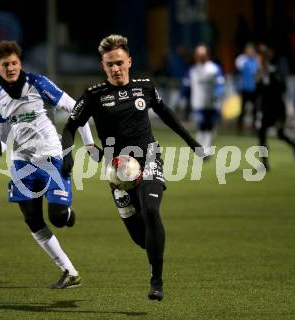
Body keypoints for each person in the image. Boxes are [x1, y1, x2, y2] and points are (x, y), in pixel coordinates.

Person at [60, 34, 205, 301]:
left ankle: (157, 281)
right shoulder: (94, 96)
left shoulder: (145, 87)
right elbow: (70, 126)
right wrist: (66, 153)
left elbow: (166, 114)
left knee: (151, 210)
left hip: (149, 157)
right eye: (109, 64)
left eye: (119, 62)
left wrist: (192, 142)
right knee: (140, 237)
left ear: (129, 61)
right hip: (117, 172)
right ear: (103, 66)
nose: (115, 68)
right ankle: (152, 253)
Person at [0, 40, 95, 289]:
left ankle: (66, 213)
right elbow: (3, 134)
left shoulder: (38, 83)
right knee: (32, 218)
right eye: (6, 65)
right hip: (21, 163)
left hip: (51, 156)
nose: (11, 68)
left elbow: (75, 108)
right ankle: (69, 272)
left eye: (15, 63)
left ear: (20, 63)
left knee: (57, 218)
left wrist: (86, 146)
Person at [255, 44, 295, 170]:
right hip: (265, 109)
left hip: (277, 109)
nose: (259, 60)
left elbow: (282, 88)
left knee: (280, 134)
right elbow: (258, 93)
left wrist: (270, 81)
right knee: (261, 135)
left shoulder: (274, 71)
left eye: (261, 57)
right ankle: (264, 163)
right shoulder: (258, 73)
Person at [182, 44, 225, 151]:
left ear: (207, 55)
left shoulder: (214, 68)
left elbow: (220, 83)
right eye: (198, 54)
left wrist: (218, 95)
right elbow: (186, 85)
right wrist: (183, 97)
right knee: (201, 126)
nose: (200, 57)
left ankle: (207, 147)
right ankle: (201, 148)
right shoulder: (193, 70)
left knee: (209, 126)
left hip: (211, 103)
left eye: (202, 54)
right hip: (198, 103)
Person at [234, 43, 259, 133]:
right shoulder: (242, 60)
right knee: (242, 110)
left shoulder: (257, 61)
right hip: (245, 88)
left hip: (254, 89)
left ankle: (254, 128)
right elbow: (238, 73)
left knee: (255, 110)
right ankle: (239, 128)